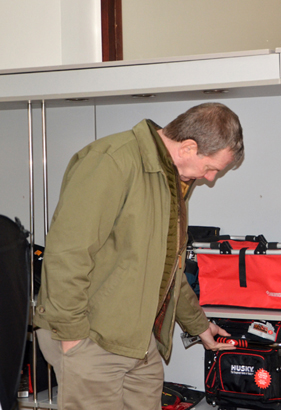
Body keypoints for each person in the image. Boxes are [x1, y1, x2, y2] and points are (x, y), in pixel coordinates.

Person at [34, 102, 243, 410]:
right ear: (188, 147)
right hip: (91, 339)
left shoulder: (172, 180)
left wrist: (199, 325)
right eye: (211, 168)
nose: (210, 178)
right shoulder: (111, 161)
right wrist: (74, 340)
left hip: (138, 344)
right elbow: (67, 254)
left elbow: (167, 267)